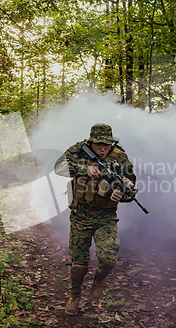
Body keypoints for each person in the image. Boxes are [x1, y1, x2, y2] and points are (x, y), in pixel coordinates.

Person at [54, 123, 137, 315]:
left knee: (108, 258)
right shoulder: (79, 150)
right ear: (91, 142)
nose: (102, 149)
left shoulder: (119, 156)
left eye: (106, 145)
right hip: (80, 215)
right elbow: (58, 167)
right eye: (99, 144)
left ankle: (99, 278)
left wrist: (122, 195)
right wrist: (85, 168)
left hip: (106, 217)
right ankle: (74, 296)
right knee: (79, 263)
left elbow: (130, 186)